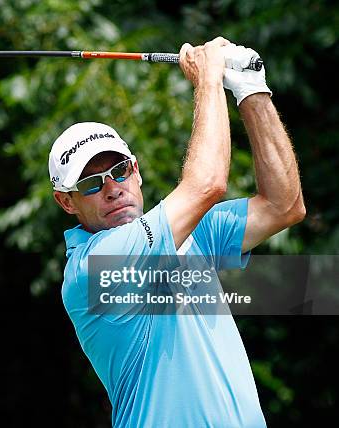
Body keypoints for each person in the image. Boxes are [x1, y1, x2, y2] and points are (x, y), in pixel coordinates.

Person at [48, 36, 305, 427]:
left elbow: (284, 206)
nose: (113, 187)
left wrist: (252, 89)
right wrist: (208, 79)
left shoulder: (191, 235)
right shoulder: (94, 267)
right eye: (91, 184)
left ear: (137, 170)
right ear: (66, 201)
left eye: (120, 171)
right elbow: (207, 184)